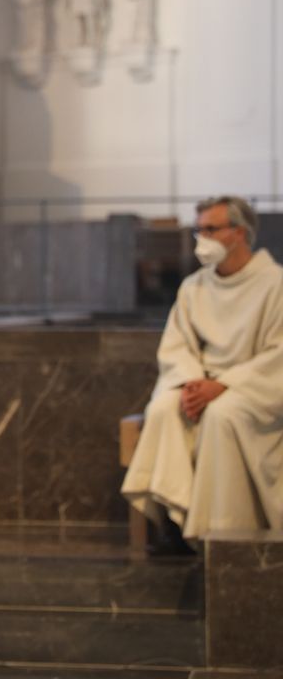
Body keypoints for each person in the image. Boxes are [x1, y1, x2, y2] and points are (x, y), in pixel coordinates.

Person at [122, 196, 283, 552]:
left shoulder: (275, 285)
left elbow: (278, 355)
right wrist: (192, 383)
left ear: (239, 233)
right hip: (200, 383)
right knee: (163, 409)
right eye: (198, 230)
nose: (201, 239)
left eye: (210, 229)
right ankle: (174, 522)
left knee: (223, 416)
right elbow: (177, 345)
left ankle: (224, 535)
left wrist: (224, 384)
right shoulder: (193, 287)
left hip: (253, 390)